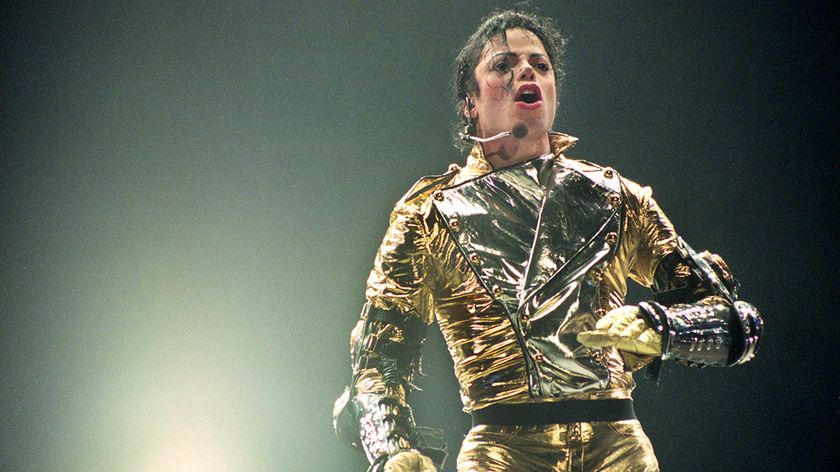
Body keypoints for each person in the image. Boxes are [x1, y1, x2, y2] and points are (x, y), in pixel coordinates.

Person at [333, 9, 763, 472]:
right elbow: (377, 358)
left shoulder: (616, 196)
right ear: (469, 103)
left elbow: (738, 323)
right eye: (502, 65)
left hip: (618, 447)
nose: (525, 71)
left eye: (540, 65)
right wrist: (392, 451)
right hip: (504, 451)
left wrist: (660, 326)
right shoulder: (429, 213)